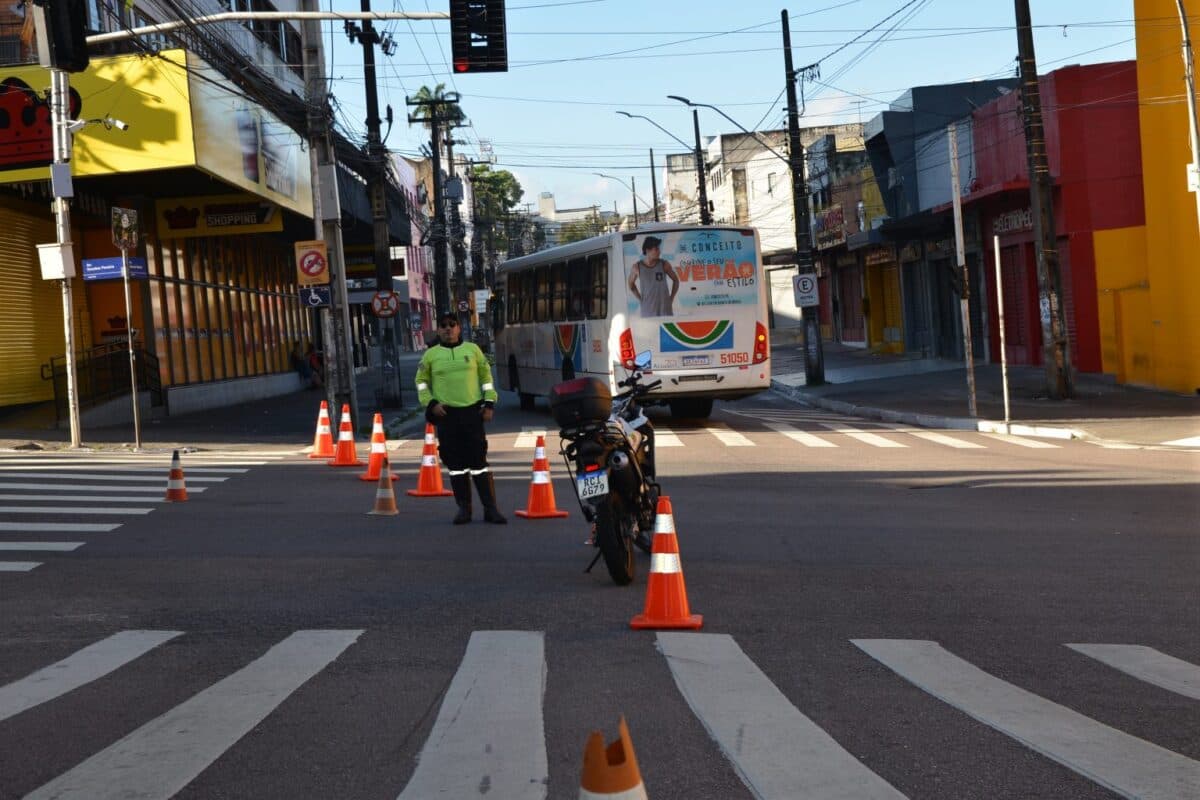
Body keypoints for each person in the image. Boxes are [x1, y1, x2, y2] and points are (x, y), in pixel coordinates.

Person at [415, 313, 507, 525]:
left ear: (459, 328)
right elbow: (420, 382)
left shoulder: (473, 350)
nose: (448, 329)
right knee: (455, 465)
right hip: (447, 415)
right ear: (438, 330)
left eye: (452, 325)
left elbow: (486, 377)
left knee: (479, 463)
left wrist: (489, 403)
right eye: (444, 326)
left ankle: (490, 509)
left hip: (472, 413)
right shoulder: (431, 355)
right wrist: (431, 404)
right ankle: (464, 509)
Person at [627, 235, 679, 317]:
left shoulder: (664, 264)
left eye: (658, 249)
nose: (659, 252)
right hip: (648, 312)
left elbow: (676, 280)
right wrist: (640, 299)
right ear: (647, 250)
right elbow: (631, 285)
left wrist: (671, 298)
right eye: (656, 249)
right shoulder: (637, 267)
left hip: (665, 311)